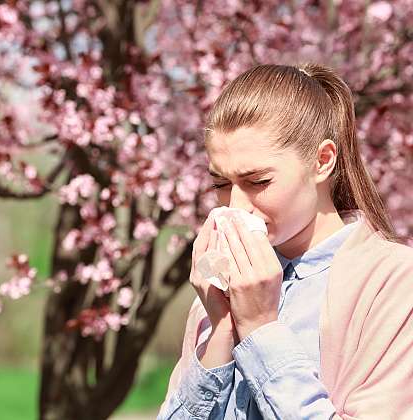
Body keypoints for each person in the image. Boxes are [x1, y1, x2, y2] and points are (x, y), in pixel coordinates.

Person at [157, 63, 413, 419]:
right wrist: (221, 332)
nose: (235, 206)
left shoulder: (394, 282)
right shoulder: (219, 290)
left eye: (258, 182)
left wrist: (260, 328)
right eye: (221, 184)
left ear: (322, 161)